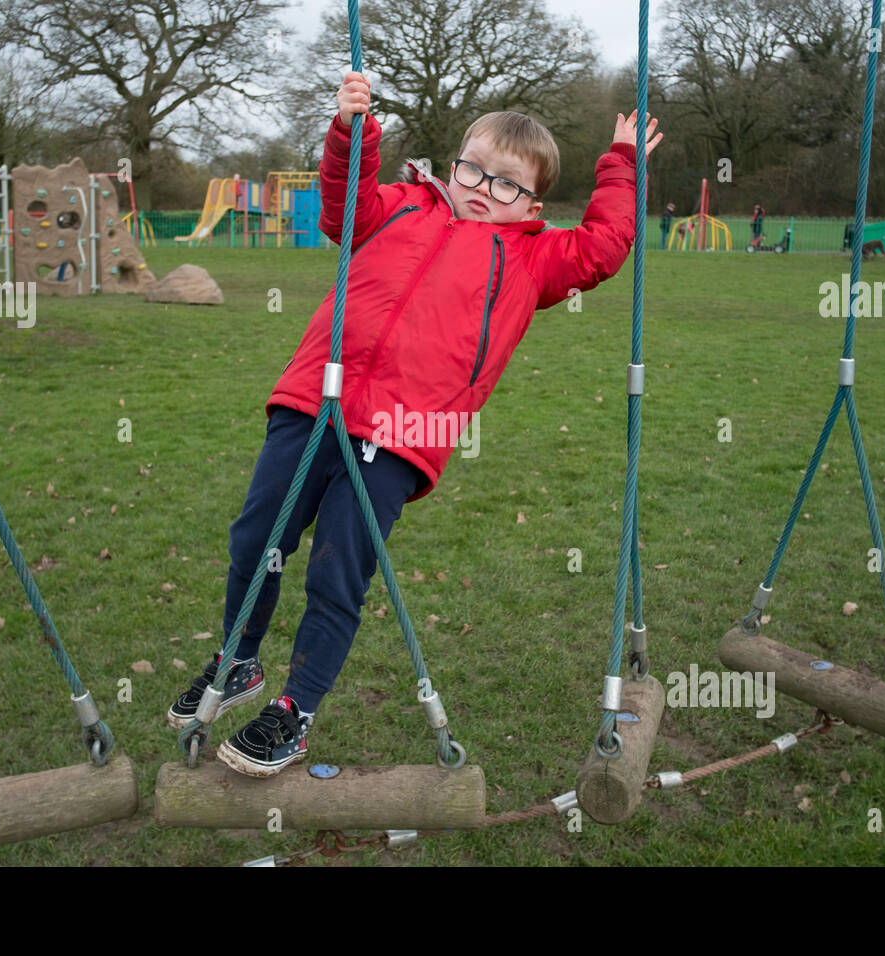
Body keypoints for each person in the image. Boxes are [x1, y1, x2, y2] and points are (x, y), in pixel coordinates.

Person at [167, 71, 664, 777]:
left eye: (506, 183)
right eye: (473, 169)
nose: (481, 188)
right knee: (258, 536)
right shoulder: (401, 206)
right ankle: (238, 657)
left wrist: (619, 167)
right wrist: (352, 132)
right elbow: (343, 209)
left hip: (404, 435)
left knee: (338, 571)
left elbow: (603, 247)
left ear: (532, 201)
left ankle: (294, 711)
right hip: (314, 399)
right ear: (453, 162)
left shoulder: (532, 257)